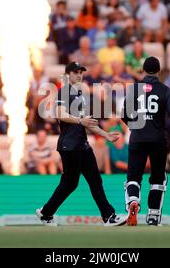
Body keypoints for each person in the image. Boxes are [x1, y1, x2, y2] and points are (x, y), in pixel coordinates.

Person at [36, 61, 126, 227]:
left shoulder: (79, 94)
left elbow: (88, 123)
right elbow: (59, 113)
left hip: (80, 144)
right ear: (68, 74)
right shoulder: (64, 91)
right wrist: (79, 120)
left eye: (81, 72)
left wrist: (106, 135)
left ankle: (108, 216)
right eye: (76, 72)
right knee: (70, 183)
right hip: (69, 145)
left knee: (93, 180)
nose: (79, 75)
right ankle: (46, 212)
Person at [121, 56, 170, 226]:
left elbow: (123, 114)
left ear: (143, 70)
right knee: (158, 178)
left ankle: (133, 201)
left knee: (133, 177)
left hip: (137, 138)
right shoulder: (165, 90)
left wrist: (135, 126)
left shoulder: (133, 89)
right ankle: (153, 215)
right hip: (158, 139)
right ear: (159, 71)